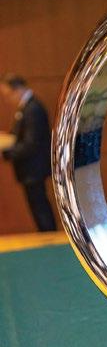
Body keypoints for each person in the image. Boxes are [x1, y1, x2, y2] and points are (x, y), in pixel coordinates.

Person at [0, 74, 56, 231]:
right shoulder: (26, 108)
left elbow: (31, 143)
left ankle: (49, 236)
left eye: (8, 95)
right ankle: (46, 234)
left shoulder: (32, 109)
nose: (7, 100)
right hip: (29, 169)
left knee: (40, 205)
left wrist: (5, 154)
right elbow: (21, 137)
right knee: (37, 205)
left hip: (34, 168)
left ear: (18, 89)